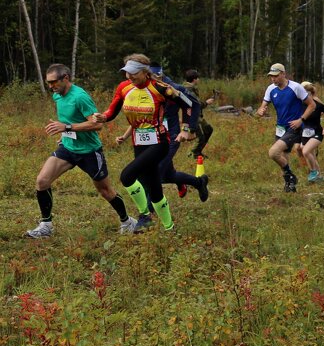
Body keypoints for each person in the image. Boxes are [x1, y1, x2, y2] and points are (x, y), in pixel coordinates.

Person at [25, 64, 140, 238]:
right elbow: (68, 120)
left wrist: (67, 127)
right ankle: (46, 226)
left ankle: (127, 221)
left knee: (106, 191)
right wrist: (65, 133)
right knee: (42, 181)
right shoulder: (57, 95)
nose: (50, 86)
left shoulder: (80, 97)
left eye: (53, 82)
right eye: (48, 83)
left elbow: (97, 125)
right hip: (68, 148)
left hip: (89, 151)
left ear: (65, 78)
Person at [92, 54, 188, 231]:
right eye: (127, 73)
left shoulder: (160, 87)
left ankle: (144, 216)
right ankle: (169, 227)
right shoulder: (123, 88)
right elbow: (112, 110)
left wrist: (186, 128)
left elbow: (188, 104)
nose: (129, 77)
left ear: (145, 72)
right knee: (154, 187)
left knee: (127, 176)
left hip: (159, 142)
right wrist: (103, 117)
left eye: (134, 73)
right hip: (139, 142)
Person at [149, 65, 209, 203]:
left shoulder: (173, 89)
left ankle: (147, 213)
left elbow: (194, 105)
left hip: (171, 135)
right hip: (153, 135)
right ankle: (199, 183)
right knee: (167, 174)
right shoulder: (144, 88)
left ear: (159, 76)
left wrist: (188, 129)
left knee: (155, 172)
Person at [254, 63, 316, 193]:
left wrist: (301, 120)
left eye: (276, 76)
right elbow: (262, 106)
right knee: (283, 157)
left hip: (294, 127)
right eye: (271, 76)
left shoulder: (296, 87)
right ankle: (290, 184)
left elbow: (312, 105)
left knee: (273, 152)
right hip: (280, 128)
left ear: (283, 74)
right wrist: (260, 111)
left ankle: (291, 177)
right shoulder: (270, 89)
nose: (273, 79)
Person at [298, 81, 324, 183]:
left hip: (317, 132)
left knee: (305, 151)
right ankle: (319, 176)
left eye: (306, 94)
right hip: (306, 132)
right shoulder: (301, 105)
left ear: (311, 94)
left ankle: (313, 171)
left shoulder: (318, 105)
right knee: (310, 154)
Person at [181, 69, 214, 158]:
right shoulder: (188, 90)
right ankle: (194, 153)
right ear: (194, 79)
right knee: (200, 137)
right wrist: (207, 103)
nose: (199, 80)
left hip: (198, 116)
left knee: (209, 130)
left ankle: (197, 151)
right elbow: (196, 105)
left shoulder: (190, 88)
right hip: (192, 117)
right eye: (198, 78)